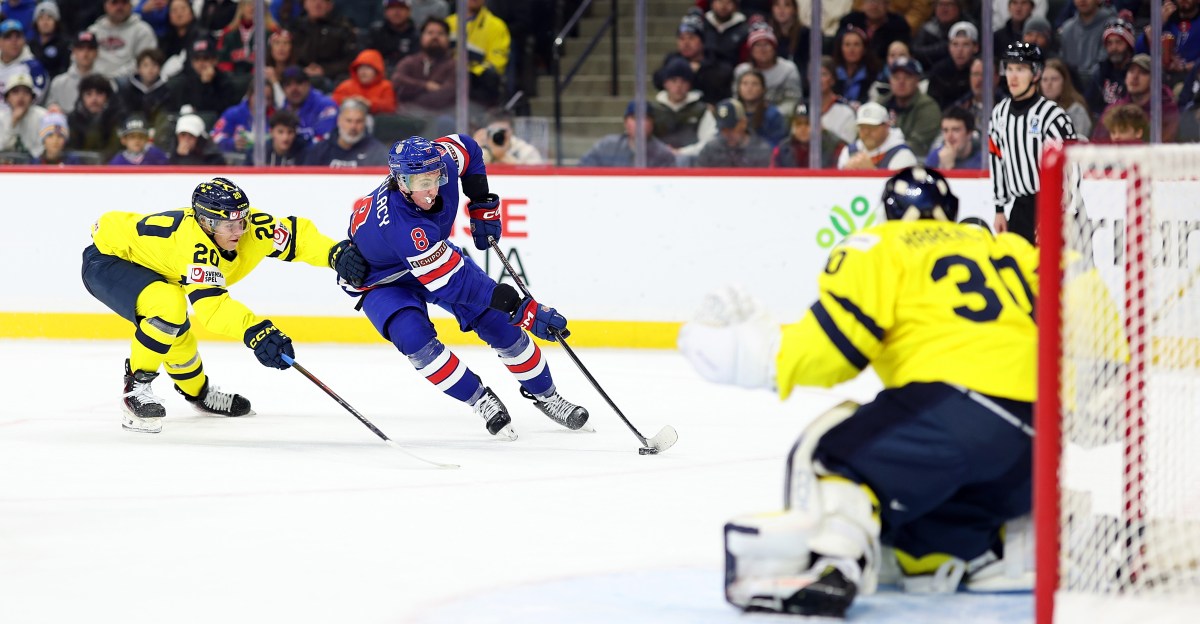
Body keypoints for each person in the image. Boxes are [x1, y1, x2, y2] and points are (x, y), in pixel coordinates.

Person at [678, 166, 1038, 618]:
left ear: (889, 211)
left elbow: (834, 352)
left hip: (958, 410)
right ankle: (986, 555)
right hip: (1045, 434)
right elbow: (1081, 300)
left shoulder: (880, 245)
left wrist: (765, 358)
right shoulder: (1006, 247)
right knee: (921, 531)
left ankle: (833, 564)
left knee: (831, 454)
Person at [337, 135, 589, 440]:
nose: (431, 190)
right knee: (415, 340)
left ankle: (548, 397)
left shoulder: (442, 159)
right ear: (401, 182)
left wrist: (481, 202)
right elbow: (457, 284)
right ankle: (479, 399)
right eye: (421, 183)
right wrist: (521, 309)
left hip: (428, 257)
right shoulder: (403, 227)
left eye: (435, 178)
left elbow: (468, 147)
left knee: (499, 325)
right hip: (381, 280)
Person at [82, 177, 365, 433]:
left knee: (176, 332)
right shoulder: (193, 247)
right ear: (206, 223)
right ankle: (135, 389)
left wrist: (332, 253)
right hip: (108, 261)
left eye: (242, 221)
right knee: (168, 307)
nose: (239, 231)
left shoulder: (251, 227)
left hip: (157, 267)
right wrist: (256, 331)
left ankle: (200, 395)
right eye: (229, 225)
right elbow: (213, 308)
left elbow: (297, 237)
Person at [989, 42, 1076, 243]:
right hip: (1019, 209)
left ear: (1036, 73)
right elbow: (997, 159)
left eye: (1020, 69)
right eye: (1009, 69)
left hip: (1051, 207)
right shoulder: (999, 113)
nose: (1013, 76)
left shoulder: (1052, 116)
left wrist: (1058, 214)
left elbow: (1070, 169)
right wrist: (999, 209)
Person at [1091, 53, 1181, 143]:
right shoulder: (1114, 109)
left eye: (1143, 72)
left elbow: (1164, 146)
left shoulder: (1166, 110)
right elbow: (1097, 143)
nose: (1134, 77)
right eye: (1131, 71)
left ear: (1155, 80)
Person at [653, 11, 733, 106]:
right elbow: (658, 80)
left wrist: (700, 70)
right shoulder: (672, 60)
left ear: (702, 41)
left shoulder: (716, 59)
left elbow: (720, 82)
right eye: (681, 38)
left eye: (691, 38)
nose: (686, 43)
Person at [445, 0, 510, 106]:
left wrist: (471, 73)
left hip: (479, 82)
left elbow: (497, 63)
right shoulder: (448, 23)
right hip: (449, 80)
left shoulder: (497, 26)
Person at [391, 16, 454, 125]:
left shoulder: (454, 66)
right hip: (407, 118)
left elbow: (446, 95)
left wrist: (411, 93)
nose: (435, 37)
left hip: (441, 120)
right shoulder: (409, 62)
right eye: (430, 33)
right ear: (421, 37)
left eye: (440, 33)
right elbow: (397, 82)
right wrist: (425, 86)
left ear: (448, 39)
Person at [733, 22, 803, 117]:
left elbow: (793, 100)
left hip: (780, 117)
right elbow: (736, 99)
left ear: (774, 48)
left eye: (766, 44)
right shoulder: (741, 70)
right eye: (757, 45)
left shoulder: (789, 69)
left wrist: (772, 115)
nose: (762, 49)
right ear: (751, 50)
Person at [578, 101, 677, 167]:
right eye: (634, 118)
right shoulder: (606, 146)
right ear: (625, 123)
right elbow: (582, 170)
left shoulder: (663, 154)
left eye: (644, 118)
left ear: (652, 124)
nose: (639, 123)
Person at [300, 97, 389, 167]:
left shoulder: (378, 152)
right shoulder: (319, 151)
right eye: (348, 121)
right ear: (339, 120)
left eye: (358, 121)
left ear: (365, 123)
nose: (353, 127)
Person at [287, 0, 358, 84]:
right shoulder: (296, 27)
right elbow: (289, 55)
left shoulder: (343, 27)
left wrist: (325, 70)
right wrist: (302, 70)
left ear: (330, 5)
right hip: (299, 76)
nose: (317, 4)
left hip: (333, 78)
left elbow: (351, 60)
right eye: (313, 0)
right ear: (304, 4)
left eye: (322, 1)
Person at [882, 56, 940, 157]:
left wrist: (882, 150)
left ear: (917, 80)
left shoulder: (928, 107)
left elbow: (918, 146)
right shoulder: (882, 103)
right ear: (890, 80)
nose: (901, 82)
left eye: (907, 77)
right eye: (896, 77)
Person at [836, 100, 917, 170]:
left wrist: (872, 173)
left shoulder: (902, 155)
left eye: (872, 127)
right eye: (862, 127)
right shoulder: (849, 151)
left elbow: (901, 183)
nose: (866, 132)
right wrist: (845, 172)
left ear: (886, 126)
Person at [88, 0, 158, 79]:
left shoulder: (143, 31)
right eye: (114, 3)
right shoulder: (93, 31)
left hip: (128, 81)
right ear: (106, 6)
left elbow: (145, 62)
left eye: (124, 2)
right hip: (95, 80)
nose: (119, 7)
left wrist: (114, 77)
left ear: (131, 5)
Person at [696, 97, 773, 168]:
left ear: (743, 123)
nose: (726, 133)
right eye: (723, 129)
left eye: (731, 128)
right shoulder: (711, 149)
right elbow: (699, 174)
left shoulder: (761, 150)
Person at [649, 57, 707, 150]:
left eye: (684, 81)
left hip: (692, 157)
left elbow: (707, 141)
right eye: (674, 80)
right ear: (665, 83)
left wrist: (682, 152)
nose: (678, 86)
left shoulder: (701, 110)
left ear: (689, 85)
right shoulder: (653, 109)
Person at [1058, 0, 1114, 94]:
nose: (1082, 0)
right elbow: (1063, 66)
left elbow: (1104, 65)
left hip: (1100, 89)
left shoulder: (1111, 26)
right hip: (1070, 90)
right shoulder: (1067, 28)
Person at [771, 102, 845, 168]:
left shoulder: (835, 147)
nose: (802, 129)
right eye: (798, 124)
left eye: (807, 123)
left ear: (820, 125)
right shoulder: (782, 149)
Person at [67, 72, 123, 159]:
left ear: (107, 96)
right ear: (82, 97)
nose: (94, 99)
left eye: (99, 93)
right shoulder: (72, 119)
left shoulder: (117, 119)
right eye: (89, 94)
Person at [1086, 17, 1134, 117]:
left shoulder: (1136, 73)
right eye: (1109, 43)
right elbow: (1090, 105)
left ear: (1128, 45)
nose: (1114, 48)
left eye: (1118, 42)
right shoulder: (1100, 71)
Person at [279, 64, 337, 143]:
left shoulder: (326, 106)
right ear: (283, 89)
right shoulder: (283, 111)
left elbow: (324, 141)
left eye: (299, 83)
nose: (294, 89)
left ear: (308, 84)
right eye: (288, 84)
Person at [44, 30, 101, 112]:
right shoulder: (58, 83)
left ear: (96, 53)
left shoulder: (106, 83)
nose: (85, 53)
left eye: (90, 49)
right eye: (81, 49)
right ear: (74, 52)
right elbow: (49, 110)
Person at [926, 22, 977, 109]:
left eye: (965, 44)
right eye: (955, 44)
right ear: (949, 47)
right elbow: (932, 105)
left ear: (976, 47)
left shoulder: (980, 70)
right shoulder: (939, 71)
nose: (960, 50)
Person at [331, 48, 396, 114]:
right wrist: (348, 100)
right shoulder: (346, 85)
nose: (363, 72)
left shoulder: (386, 86)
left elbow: (390, 106)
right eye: (360, 68)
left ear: (376, 70)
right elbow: (333, 100)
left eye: (368, 68)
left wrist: (369, 103)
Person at [363, 0, 420, 75]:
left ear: (409, 11)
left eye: (401, 7)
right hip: (378, 75)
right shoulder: (376, 32)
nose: (396, 12)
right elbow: (366, 59)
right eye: (392, 8)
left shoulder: (417, 34)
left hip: (408, 76)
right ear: (385, 12)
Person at [471, 108, 543, 165]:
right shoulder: (482, 148)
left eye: (502, 131)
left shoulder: (526, 151)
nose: (498, 135)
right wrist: (474, 149)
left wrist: (503, 156)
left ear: (512, 131)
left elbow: (534, 174)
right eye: (493, 131)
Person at [0, 19, 50, 101]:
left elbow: (37, 98)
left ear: (24, 40)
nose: (14, 41)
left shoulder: (33, 67)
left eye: (18, 36)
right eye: (8, 37)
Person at [0, 71, 48, 157]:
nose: (21, 96)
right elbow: (2, 148)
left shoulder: (43, 116)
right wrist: (13, 123)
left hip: (35, 163)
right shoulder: (1, 118)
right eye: (15, 92)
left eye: (26, 92)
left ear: (32, 97)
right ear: (7, 97)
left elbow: (43, 149)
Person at [1041, 57, 1092, 138]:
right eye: (1044, 79)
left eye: (1054, 79)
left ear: (1064, 81)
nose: (1049, 84)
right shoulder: (1035, 109)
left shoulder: (1077, 110)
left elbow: (1079, 141)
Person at [831, 25, 879, 108]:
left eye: (856, 44)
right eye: (847, 44)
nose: (851, 49)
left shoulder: (874, 73)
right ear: (840, 48)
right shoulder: (832, 73)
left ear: (864, 49)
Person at [702, 0, 750, 66]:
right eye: (720, 1)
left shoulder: (744, 30)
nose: (723, 6)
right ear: (712, 4)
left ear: (735, 6)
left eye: (728, 2)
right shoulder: (702, 25)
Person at [30, 1, 71, 78]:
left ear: (56, 22)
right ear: (36, 22)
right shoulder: (31, 45)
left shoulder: (64, 45)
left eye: (49, 18)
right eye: (41, 18)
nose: (45, 23)